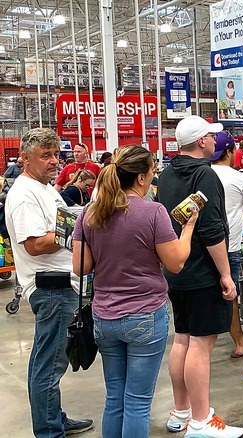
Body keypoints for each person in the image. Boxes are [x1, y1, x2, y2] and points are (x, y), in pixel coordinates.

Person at [71, 145, 196, 437]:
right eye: (152, 171)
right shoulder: (154, 212)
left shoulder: (89, 213)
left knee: (115, 399)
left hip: (104, 316)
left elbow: (81, 266)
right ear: (141, 178)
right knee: (138, 402)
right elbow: (176, 263)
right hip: (144, 317)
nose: (154, 177)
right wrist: (188, 228)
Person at [157, 116, 243, 437]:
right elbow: (210, 229)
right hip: (203, 271)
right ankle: (202, 420)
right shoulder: (204, 175)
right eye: (211, 136)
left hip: (176, 269)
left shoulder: (166, 174)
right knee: (201, 345)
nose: (214, 141)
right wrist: (225, 274)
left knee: (182, 338)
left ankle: (181, 411)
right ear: (202, 141)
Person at [5, 128, 93, 437]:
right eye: (46, 156)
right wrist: (76, 230)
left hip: (62, 284)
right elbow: (34, 244)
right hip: (50, 289)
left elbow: (59, 224)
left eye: (57, 154)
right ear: (25, 159)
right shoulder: (24, 195)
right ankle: (48, 430)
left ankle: (54, 418)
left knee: (50, 361)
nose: (54, 161)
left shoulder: (44, 188)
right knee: (49, 364)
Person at [210, 132, 243, 360]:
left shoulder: (202, 175)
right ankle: (239, 341)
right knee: (230, 294)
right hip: (230, 246)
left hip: (204, 245)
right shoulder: (240, 178)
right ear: (229, 153)